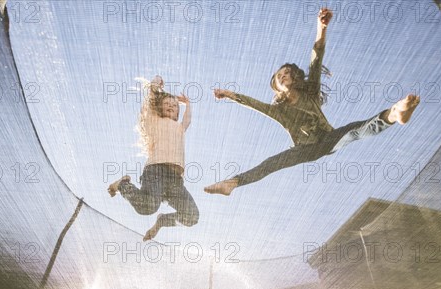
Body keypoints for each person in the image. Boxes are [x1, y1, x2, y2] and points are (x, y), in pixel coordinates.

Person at [205, 8, 420, 196]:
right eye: (279, 76)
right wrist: (231, 95)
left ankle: (394, 113)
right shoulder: (280, 111)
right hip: (305, 149)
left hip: (329, 139)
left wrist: (321, 28)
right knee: (273, 163)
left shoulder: (311, 92)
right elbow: (256, 105)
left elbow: (316, 60)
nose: (283, 76)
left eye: (287, 73)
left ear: (295, 77)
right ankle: (233, 183)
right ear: (277, 87)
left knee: (354, 132)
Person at [108, 76, 199, 241]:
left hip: (175, 179)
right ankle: (123, 185)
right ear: (160, 108)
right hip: (156, 171)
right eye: (167, 104)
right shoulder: (154, 121)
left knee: (191, 216)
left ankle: (163, 221)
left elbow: (188, 119)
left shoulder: (180, 128)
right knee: (148, 207)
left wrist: (188, 104)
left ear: (178, 112)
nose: (171, 105)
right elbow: (150, 100)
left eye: (174, 105)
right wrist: (154, 85)